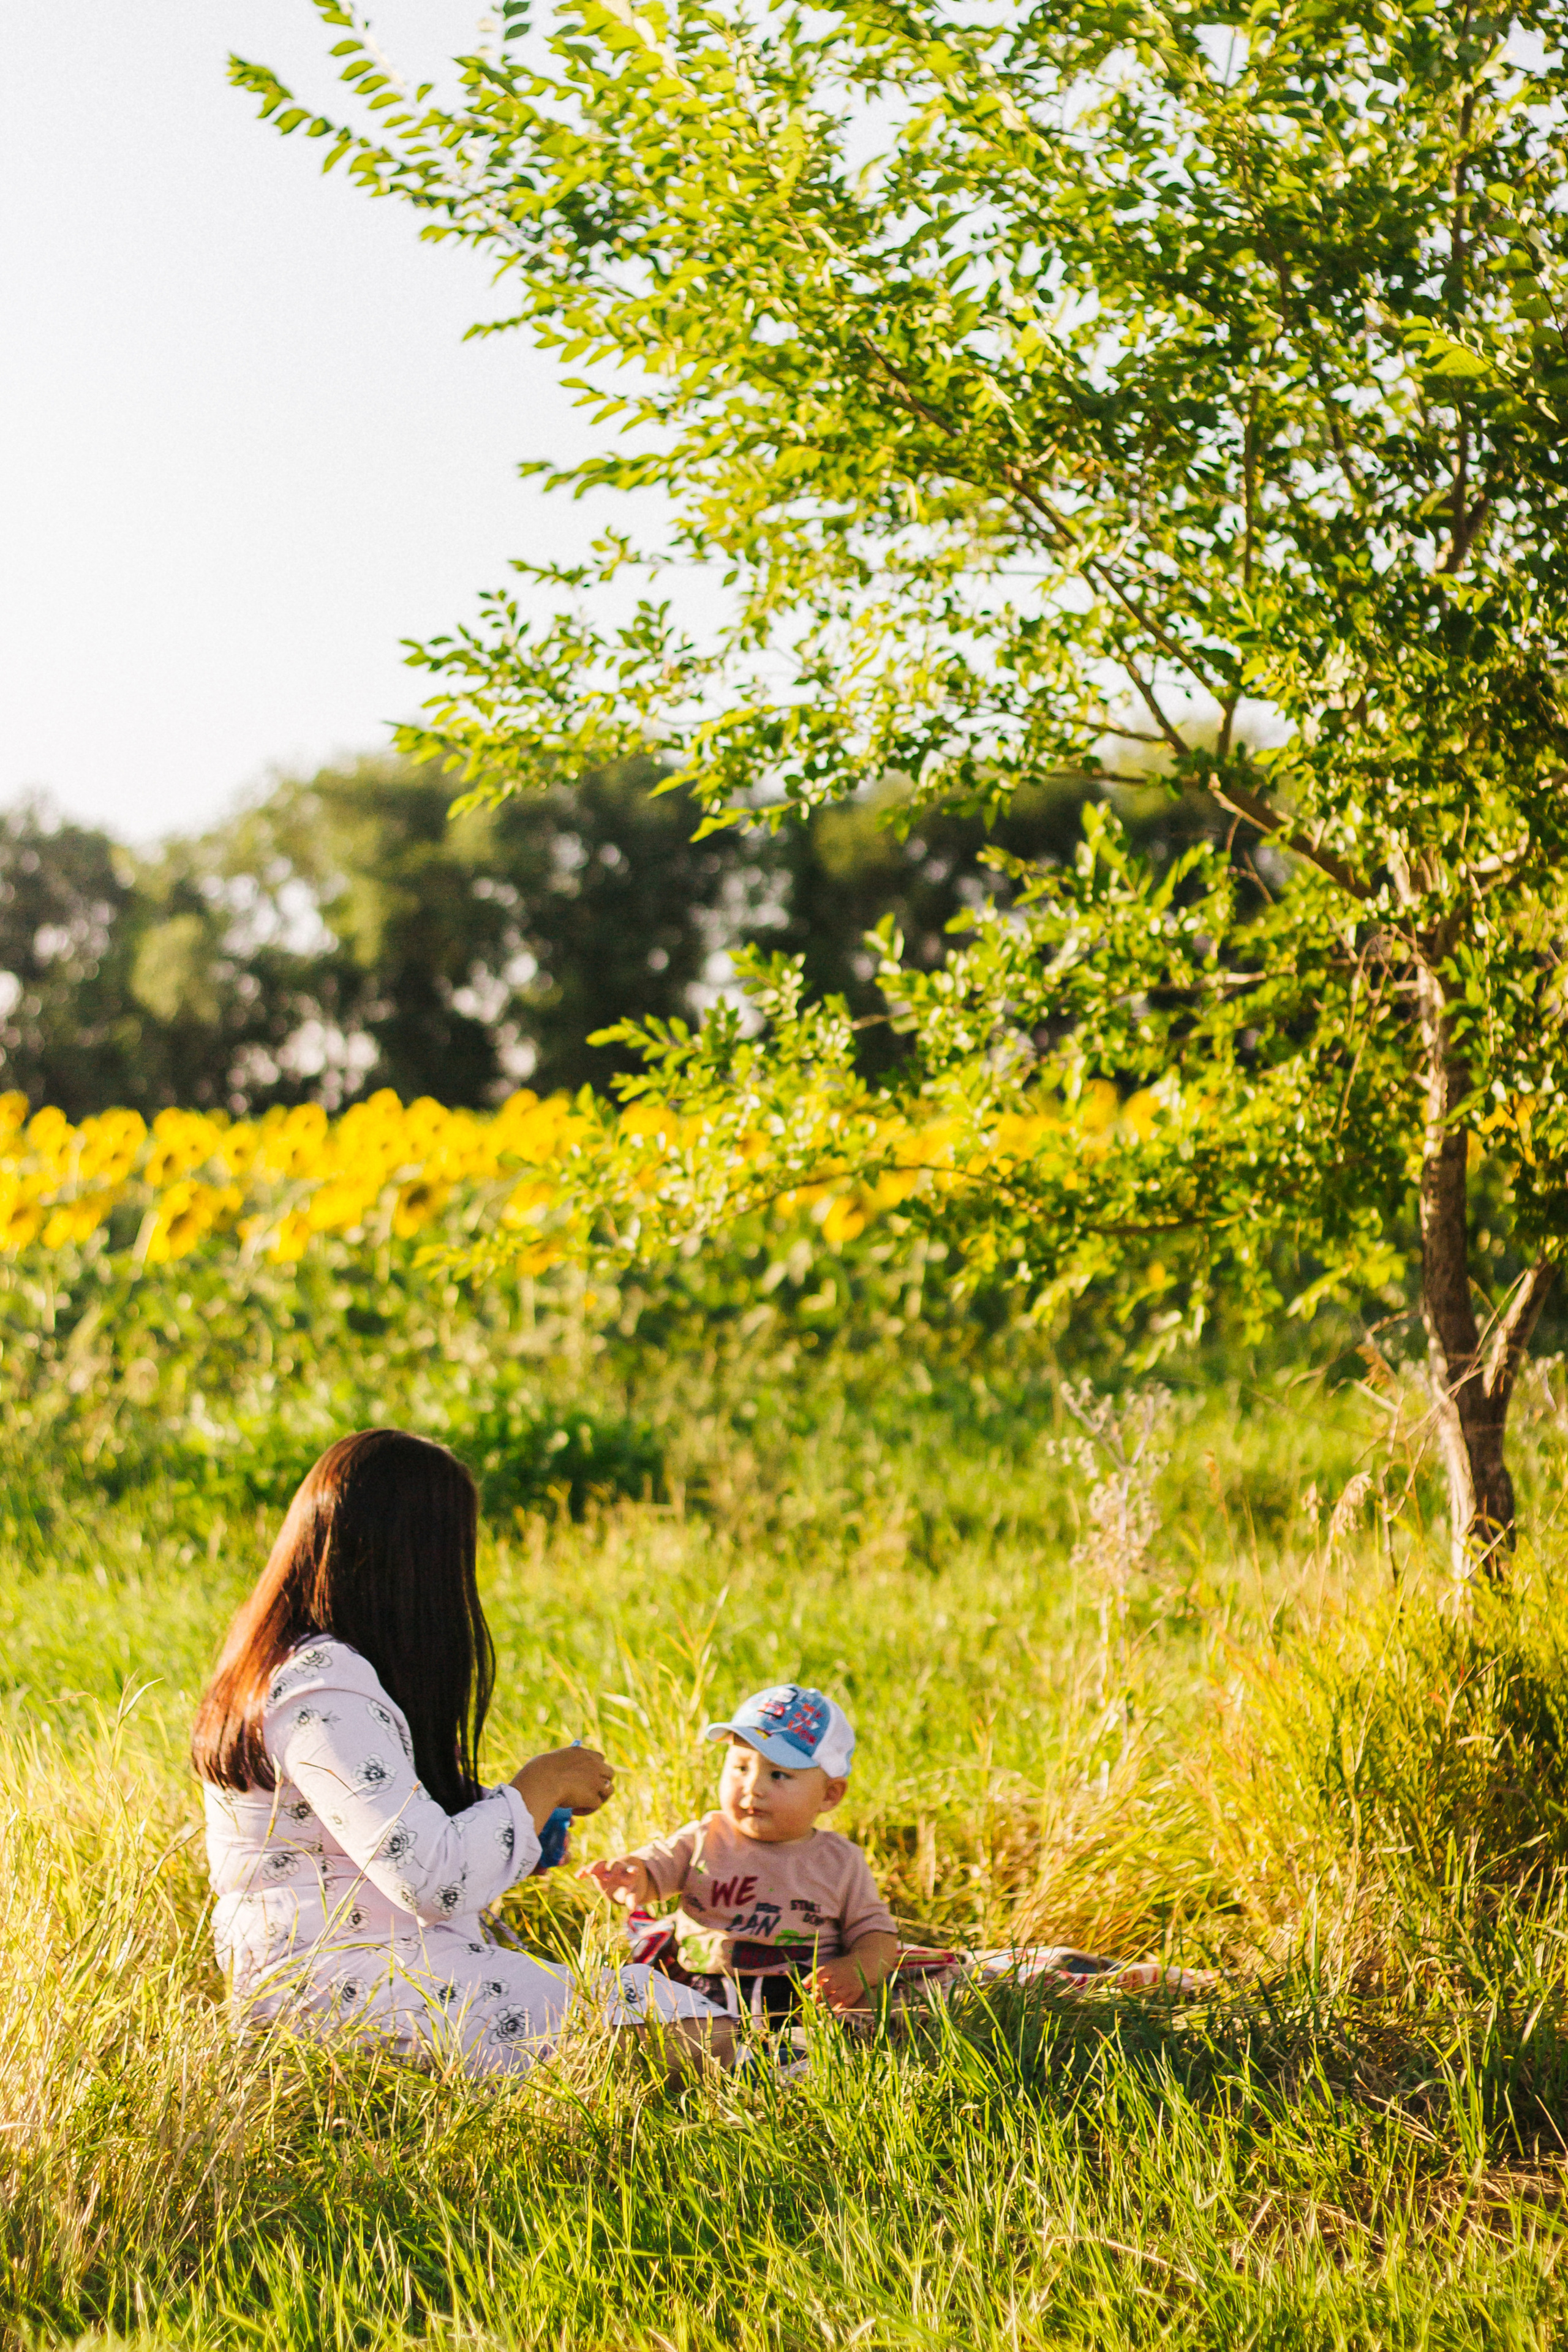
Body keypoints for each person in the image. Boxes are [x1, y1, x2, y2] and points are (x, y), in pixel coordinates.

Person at [192, 1428, 730, 2077]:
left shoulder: (316, 1669)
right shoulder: (322, 1689)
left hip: (364, 1973)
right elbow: (428, 1878)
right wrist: (540, 1788)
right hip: (336, 1989)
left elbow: (385, 1835)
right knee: (695, 2031)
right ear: (412, 1561)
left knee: (668, 2015)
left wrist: (513, 1823)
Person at [579, 1683, 900, 2021]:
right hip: (703, 1986)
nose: (753, 1788)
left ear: (829, 1795)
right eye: (741, 1768)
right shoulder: (706, 1836)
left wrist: (858, 1967)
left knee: (868, 2014)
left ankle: (791, 2053)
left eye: (778, 1775)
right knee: (658, 2019)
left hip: (805, 1995)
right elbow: (656, 1868)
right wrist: (632, 1876)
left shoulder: (840, 1861)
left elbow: (875, 1933)